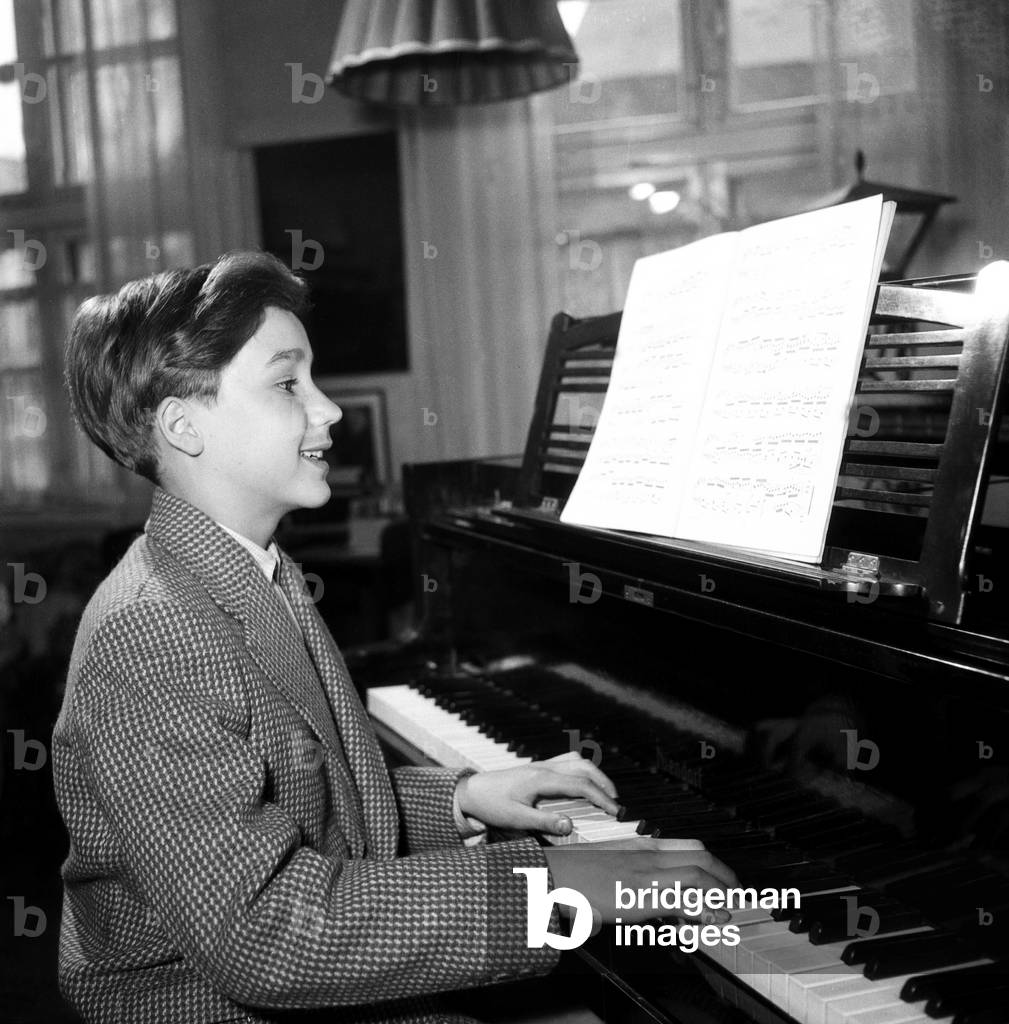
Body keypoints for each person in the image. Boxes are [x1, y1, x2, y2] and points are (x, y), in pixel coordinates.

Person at [52, 251, 737, 1024]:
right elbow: (269, 936)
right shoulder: (153, 633)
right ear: (182, 425)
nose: (329, 409)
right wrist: (556, 886)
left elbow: (307, 800)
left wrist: (462, 798)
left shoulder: (247, 568)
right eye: (287, 383)